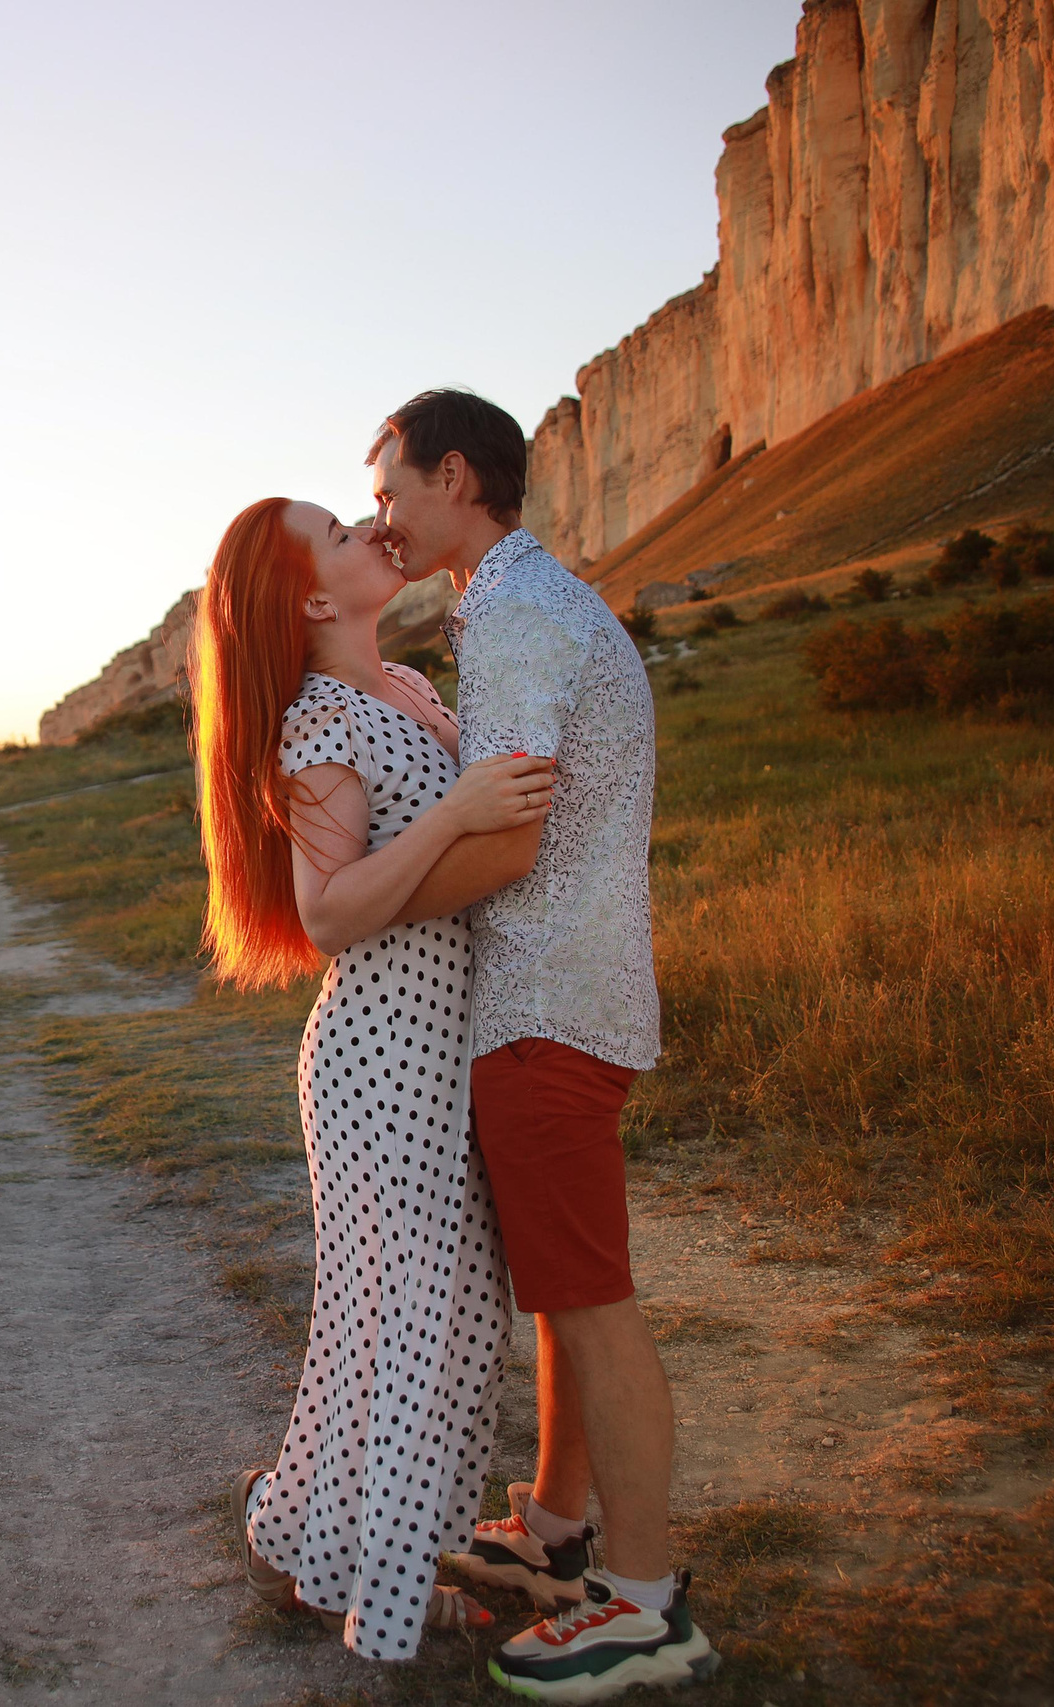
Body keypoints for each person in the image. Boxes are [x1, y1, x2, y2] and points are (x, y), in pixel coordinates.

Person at [367, 388, 719, 1700]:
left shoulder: (511, 614)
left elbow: (509, 836)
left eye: (395, 488)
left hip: (544, 1005)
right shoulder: (540, 597)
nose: (384, 515)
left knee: (591, 1301)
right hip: (581, 995)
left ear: (455, 475)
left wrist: (366, 910)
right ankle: (561, 1529)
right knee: (568, 1289)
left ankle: (641, 1601)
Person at [193, 494, 557, 1662]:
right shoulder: (316, 724)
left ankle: (309, 1536)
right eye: (341, 533)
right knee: (424, 1327)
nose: (367, 529)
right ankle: (393, 1597)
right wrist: (456, 805)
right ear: (311, 597)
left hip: (436, 1046)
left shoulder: (391, 690)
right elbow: (330, 912)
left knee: (408, 1324)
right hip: (383, 1055)